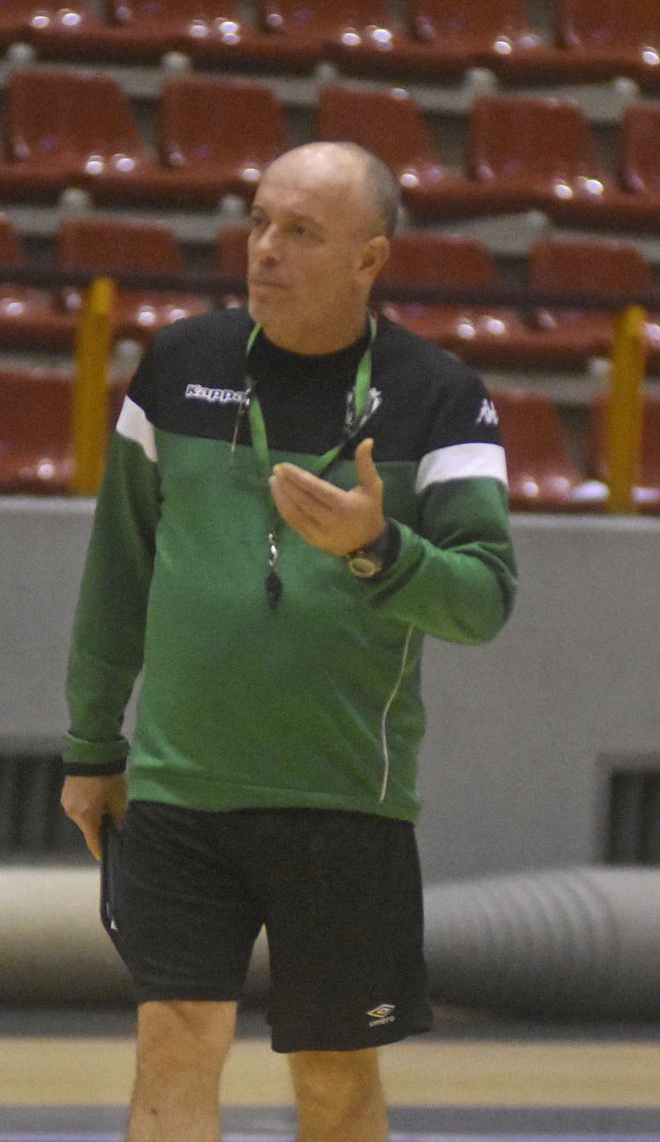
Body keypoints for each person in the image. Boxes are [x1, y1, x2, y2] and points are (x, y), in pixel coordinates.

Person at [60, 142, 517, 1142]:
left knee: (334, 1078)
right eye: (258, 222)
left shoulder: (438, 395)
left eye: (300, 232)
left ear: (371, 259)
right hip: (180, 788)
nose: (264, 249)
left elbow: (483, 599)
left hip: (343, 797)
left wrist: (380, 549)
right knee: (170, 1051)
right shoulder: (178, 368)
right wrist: (94, 744)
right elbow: (117, 573)